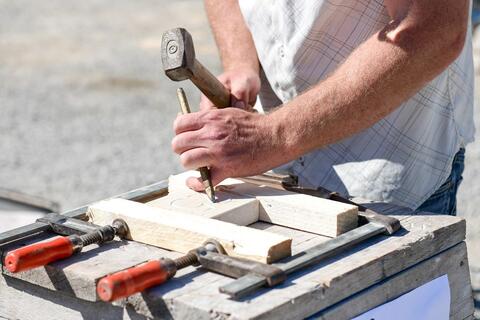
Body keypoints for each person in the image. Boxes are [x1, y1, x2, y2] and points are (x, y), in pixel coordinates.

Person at [171, 0, 474, 215]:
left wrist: (273, 135)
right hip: (275, 162)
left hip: (386, 160)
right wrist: (239, 61)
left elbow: (435, 28)